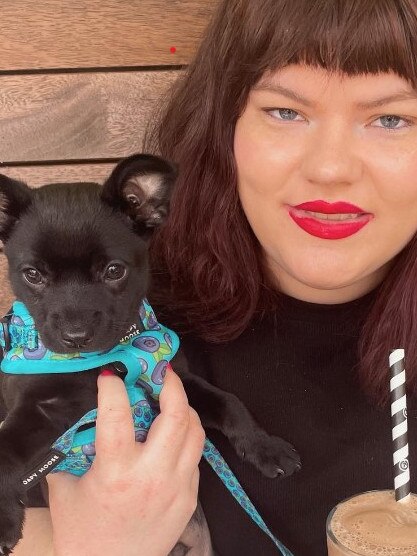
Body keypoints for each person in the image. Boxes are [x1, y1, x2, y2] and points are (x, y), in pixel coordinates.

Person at [12, 0, 417, 554]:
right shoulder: (102, 338)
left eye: (391, 118)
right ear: (224, 128)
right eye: (285, 111)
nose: (330, 167)